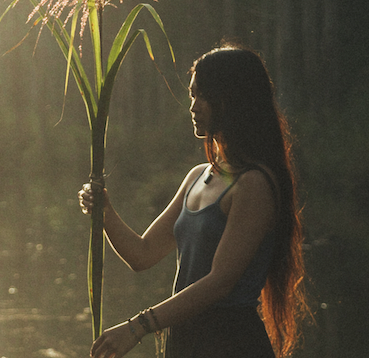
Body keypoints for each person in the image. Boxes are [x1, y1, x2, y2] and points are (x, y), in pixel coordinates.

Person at [77, 44, 308, 358]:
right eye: (192, 95)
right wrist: (104, 211)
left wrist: (137, 327)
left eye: (203, 96)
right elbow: (142, 255)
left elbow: (219, 283)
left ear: (233, 99)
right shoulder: (198, 176)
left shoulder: (253, 184)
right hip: (187, 342)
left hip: (230, 344)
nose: (193, 106)